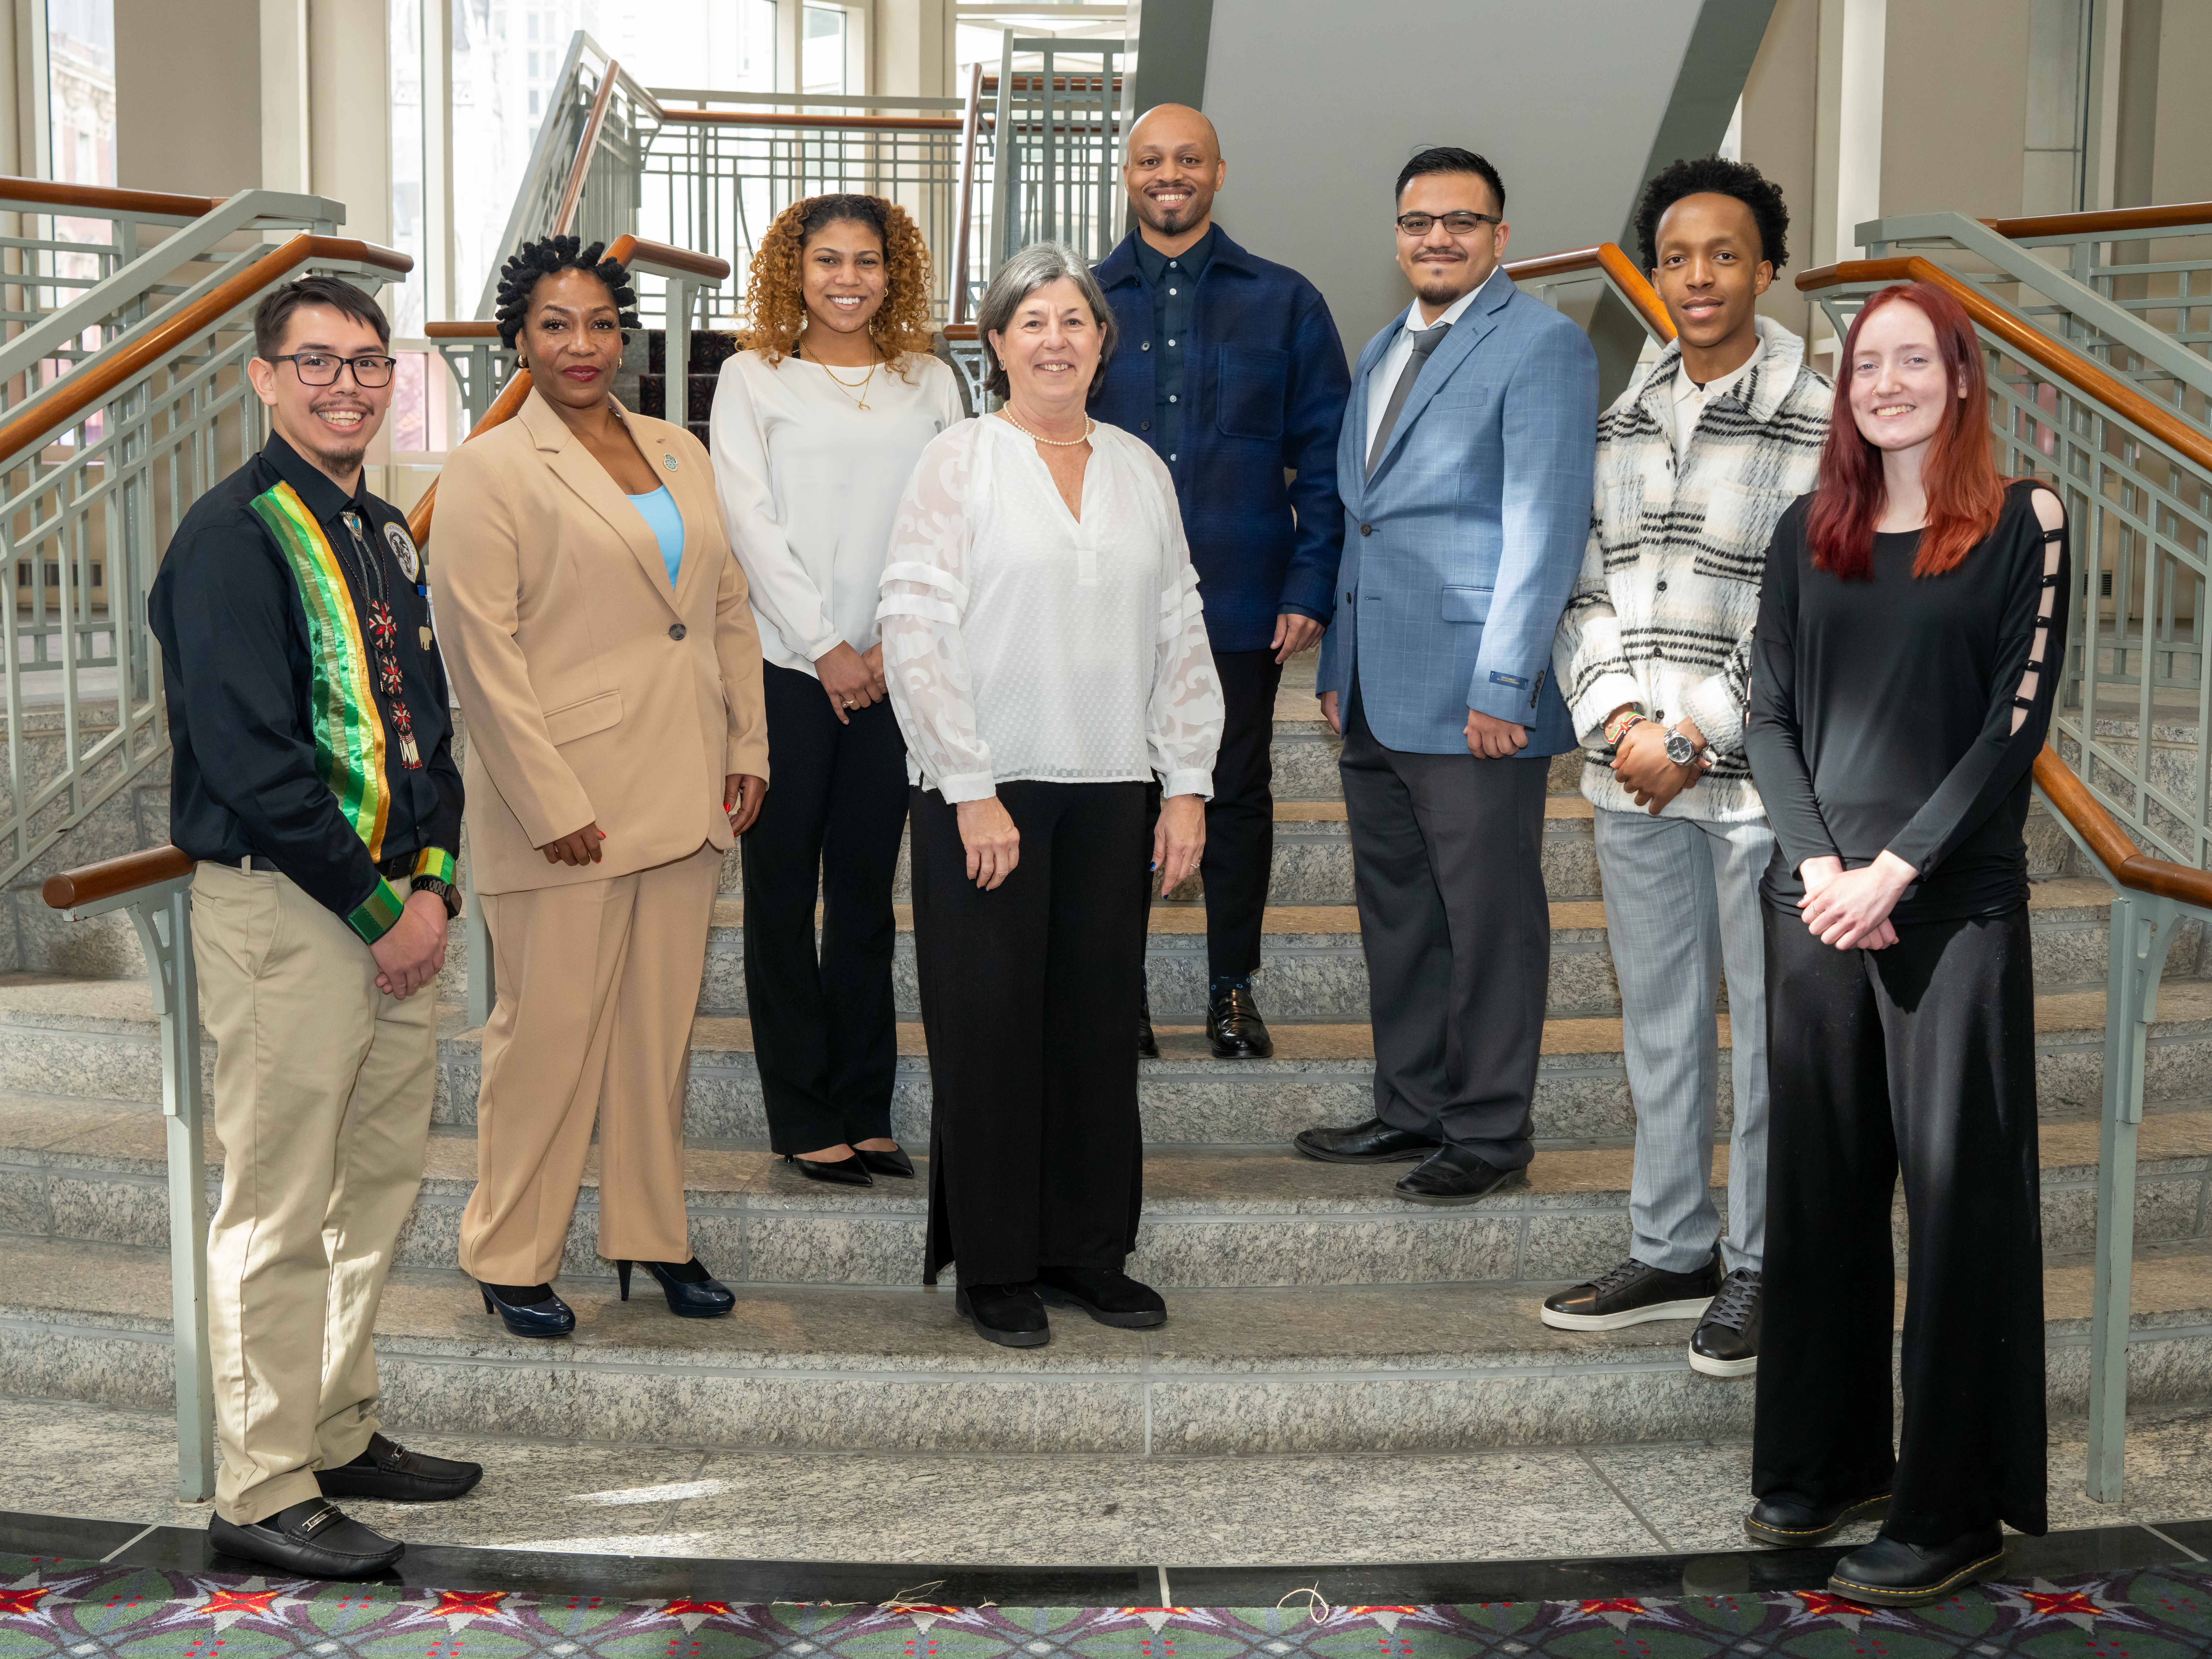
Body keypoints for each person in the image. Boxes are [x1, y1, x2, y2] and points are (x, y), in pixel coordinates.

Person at [150, 276, 482, 1577]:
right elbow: (249, 757)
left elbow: (428, 729)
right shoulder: (231, 538)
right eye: (317, 363)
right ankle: (261, 1479)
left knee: (374, 1191)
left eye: (367, 364)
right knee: (281, 1204)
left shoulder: (384, 528)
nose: (346, 385)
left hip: (397, 906)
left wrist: (437, 881)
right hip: (292, 913)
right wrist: (375, 905)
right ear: (263, 376)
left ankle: (337, 1426)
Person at [1741, 280, 2066, 1605]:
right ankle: (1828, 1462)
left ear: (1961, 375)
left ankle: (1955, 1506)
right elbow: (1768, 713)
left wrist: (1897, 869)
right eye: (1865, 364)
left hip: (1950, 907)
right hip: (1815, 900)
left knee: (1956, 1203)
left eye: (1910, 361)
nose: (1885, 383)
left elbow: (2014, 725)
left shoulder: (2025, 521)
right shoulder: (1805, 530)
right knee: (1818, 1193)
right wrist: (1823, 863)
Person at [879, 241, 1224, 1348]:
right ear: (995, 344)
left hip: (1114, 784)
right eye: (1032, 321)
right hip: (986, 790)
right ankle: (995, 1265)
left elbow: (1180, 626)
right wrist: (970, 787)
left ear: (1101, 343)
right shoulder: (959, 459)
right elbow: (914, 625)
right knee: (988, 1031)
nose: (1055, 339)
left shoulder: (1139, 467)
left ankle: (1086, 1251)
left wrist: (1188, 785)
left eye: (1074, 320)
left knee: (1089, 1029)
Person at [432, 236, 770, 1337]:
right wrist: (550, 802)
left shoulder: (678, 447)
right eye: (555, 326)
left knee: (655, 1034)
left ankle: (650, 1236)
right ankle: (509, 1248)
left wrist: (748, 749)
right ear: (516, 340)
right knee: (547, 1037)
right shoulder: (488, 469)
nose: (582, 346)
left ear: (625, 334)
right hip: (567, 806)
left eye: (600, 325)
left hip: (685, 789)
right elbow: (481, 651)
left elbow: (721, 608)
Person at [1543, 158, 1830, 1376]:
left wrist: (1695, 735)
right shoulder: (1621, 416)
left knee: (1768, 1037)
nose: (1698, 276)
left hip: (1758, 784)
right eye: (1676, 257)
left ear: (1767, 269)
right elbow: (1583, 584)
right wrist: (1618, 725)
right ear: (1654, 275)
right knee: (1660, 1026)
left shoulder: (1821, 416)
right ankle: (1674, 1246)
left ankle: (1763, 1261)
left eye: (1724, 254)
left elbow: (1811, 612)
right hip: (1632, 777)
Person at [1295, 147, 1598, 1204]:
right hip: (1377, 688)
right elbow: (1357, 522)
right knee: (1400, 913)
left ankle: (1487, 1130)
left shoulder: (1543, 346)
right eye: (1419, 222)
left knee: (1491, 918)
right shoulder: (1383, 346)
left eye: (1461, 221)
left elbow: (1545, 526)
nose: (1438, 238)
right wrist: (1341, 660)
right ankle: (1409, 1106)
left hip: (1476, 694)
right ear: (1396, 236)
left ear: (1499, 237)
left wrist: (1504, 684)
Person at [710, 194, 965, 1186]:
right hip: (787, 672)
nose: (848, 278)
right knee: (780, 897)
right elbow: (749, 521)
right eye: (827, 261)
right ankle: (801, 1111)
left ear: (892, 273)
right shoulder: (752, 379)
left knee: (865, 900)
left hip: (897, 673)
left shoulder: (930, 383)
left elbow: (952, 517)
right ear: (794, 271)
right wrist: (826, 645)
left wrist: (897, 644)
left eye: (867, 260)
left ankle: (866, 1107)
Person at [1089, 103, 1351, 1059]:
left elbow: (1328, 455)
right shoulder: (1081, 301)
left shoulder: (1284, 301)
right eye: (1151, 160)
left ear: (1219, 172)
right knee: (1118, 793)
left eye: (1188, 159)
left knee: (1234, 789)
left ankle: (1232, 989)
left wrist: (1311, 580)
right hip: (1101, 605)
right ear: (1128, 175)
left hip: (1241, 594)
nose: (1171, 174)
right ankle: (1116, 994)